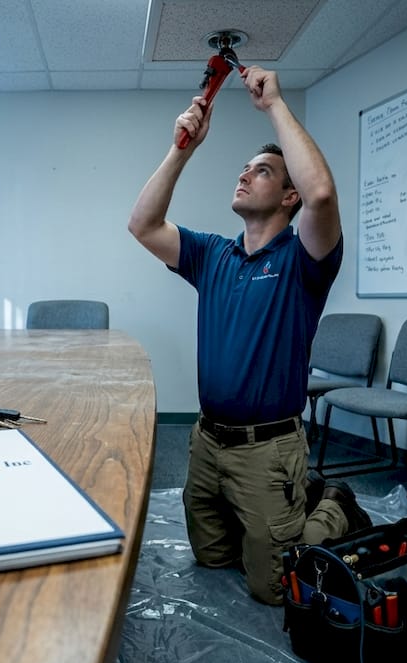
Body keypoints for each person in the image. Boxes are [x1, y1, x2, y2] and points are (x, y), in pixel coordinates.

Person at [127, 65, 371, 605]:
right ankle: (273, 517)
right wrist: (182, 150)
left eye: (261, 171)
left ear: (288, 198)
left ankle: (331, 504)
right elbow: (142, 225)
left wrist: (275, 105)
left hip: (269, 448)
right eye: (244, 168)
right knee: (212, 558)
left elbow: (324, 196)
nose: (243, 175)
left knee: (273, 588)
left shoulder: (304, 258)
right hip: (207, 441)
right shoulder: (214, 254)